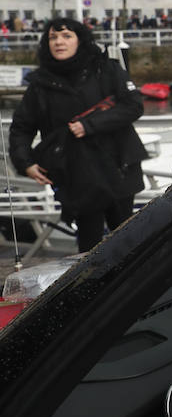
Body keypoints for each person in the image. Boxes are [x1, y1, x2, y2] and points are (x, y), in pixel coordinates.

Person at [8, 17, 148, 252]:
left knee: (127, 243)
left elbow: (133, 105)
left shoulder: (107, 69)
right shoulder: (40, 84)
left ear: (80, 41)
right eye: (53, 37)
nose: (58, 42)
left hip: (117, 167)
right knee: (88, 248)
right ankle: (96, 289)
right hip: (76, 175)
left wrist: (90, 125)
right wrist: (25, 163)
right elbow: (21, 127)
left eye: (66, 36)